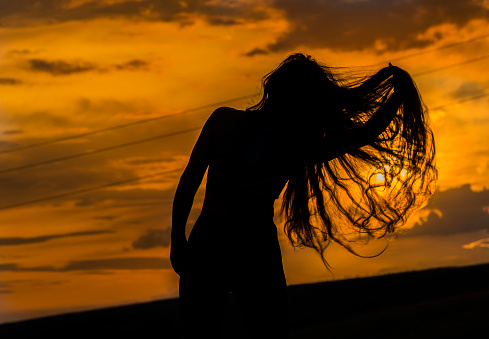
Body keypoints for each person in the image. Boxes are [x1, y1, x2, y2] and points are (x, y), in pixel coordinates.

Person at [170, 53, 437, 338]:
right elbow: (364, 134)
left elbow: (188, 183)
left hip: (213, 238)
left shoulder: (225, 121)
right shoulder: (293, 145)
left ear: (272, 87)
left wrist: (178, 239)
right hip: (254, 245)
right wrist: (400, 94)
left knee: (201, 336)